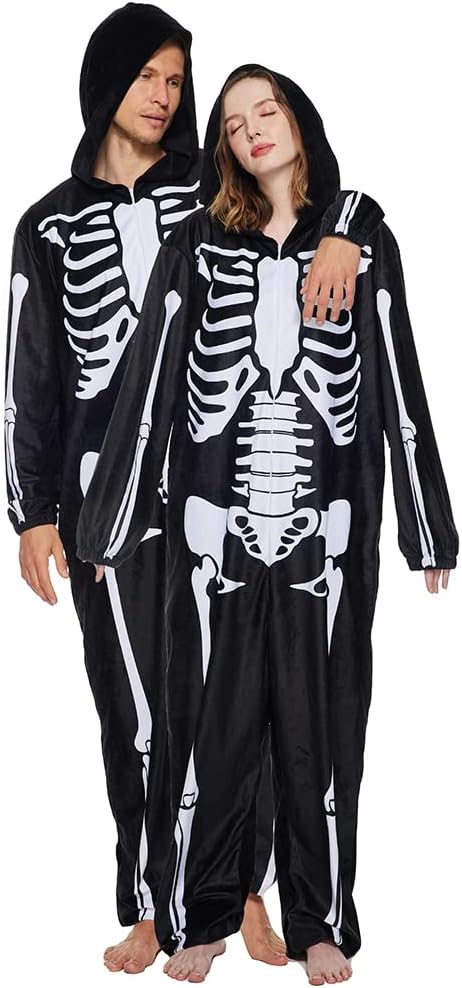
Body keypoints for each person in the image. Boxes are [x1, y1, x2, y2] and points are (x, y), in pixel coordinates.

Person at [4, 0, 386, 974]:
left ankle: (238, 888)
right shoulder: (45, 226)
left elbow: (310, 190)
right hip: (108, 497)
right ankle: (148, 901)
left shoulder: (213, 196)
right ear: (106, 83)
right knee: (133, 707)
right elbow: (28, 377)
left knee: (236, 702)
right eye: (148, 76)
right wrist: (33, 511)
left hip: (217, 489)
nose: (165, 96)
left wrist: (348, 228)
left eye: (177, 80)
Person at [77, 62, 458, 984]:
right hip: (212, 527)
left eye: (268, 109)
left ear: (298, 119)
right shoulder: (199, 244)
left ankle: (320, 919)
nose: (253, 128)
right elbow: (151, 377)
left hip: (328, 531)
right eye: (234, 121)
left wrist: (427, 524)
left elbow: (399, 372)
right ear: (224, 148)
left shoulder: (360, 241)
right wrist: (108, 524)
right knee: (208, 726)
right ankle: (201, 916)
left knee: (324, 726)